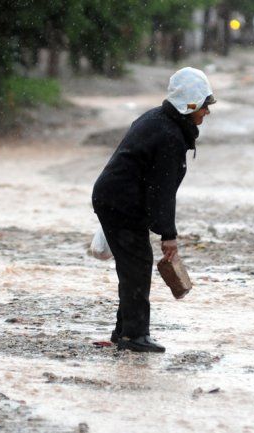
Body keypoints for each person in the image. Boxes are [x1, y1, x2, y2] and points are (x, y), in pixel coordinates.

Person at [91, 67, 215, 353]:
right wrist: (168, 235)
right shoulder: (169, 135)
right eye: (205, 105)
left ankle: (124, 331)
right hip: (120, 203)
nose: (207, 112)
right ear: (191, 104)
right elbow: (162, 191)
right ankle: (134, 336)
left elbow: (155, 187)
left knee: (133, 265)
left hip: (116, 199)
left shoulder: (158, 120)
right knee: (137, 265)